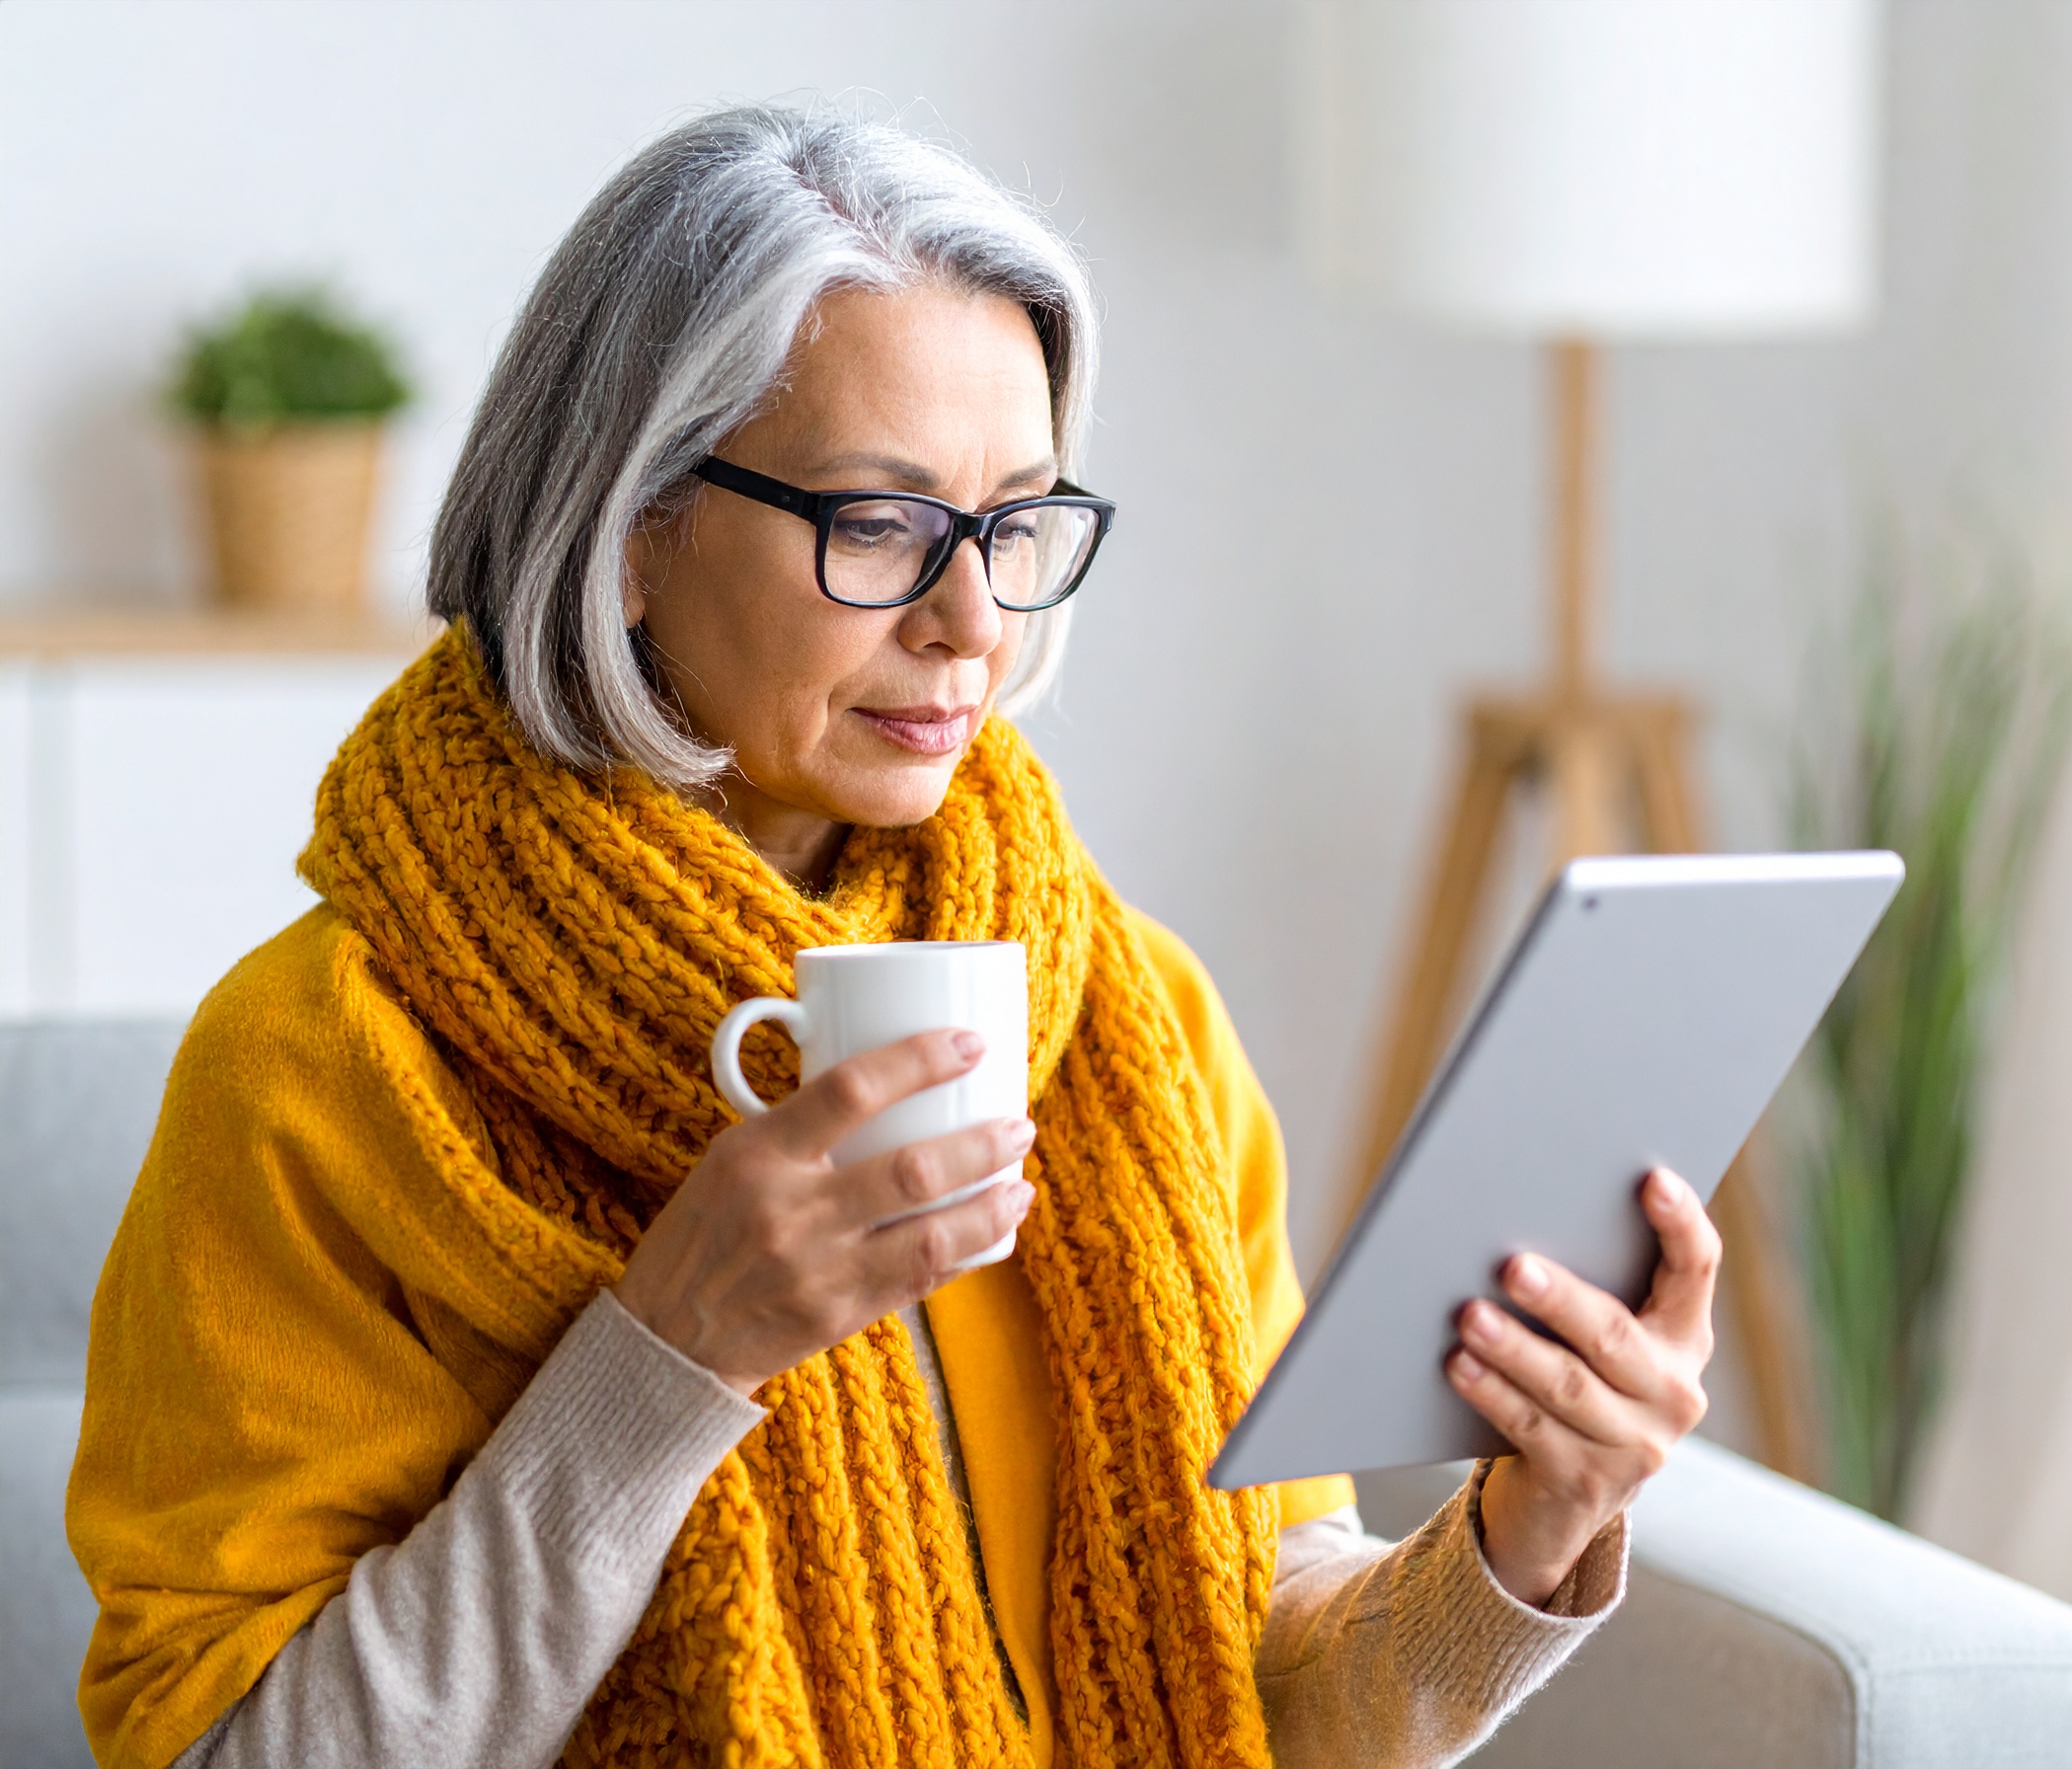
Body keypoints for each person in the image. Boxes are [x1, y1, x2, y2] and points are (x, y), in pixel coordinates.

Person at [67, 104, 1719, 1769]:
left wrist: (1522, 1540)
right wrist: (672, 1355)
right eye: (878, 524)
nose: (973, 623)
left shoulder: (1129, 1013)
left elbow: (1253, 1676)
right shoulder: (320, 1071)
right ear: (632, 527)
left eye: (1014, 525)